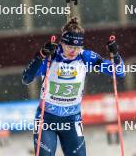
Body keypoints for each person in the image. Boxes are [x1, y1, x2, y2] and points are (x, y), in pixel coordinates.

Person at [22, 17, 125, 156]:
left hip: (72, 120)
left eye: (77, 47)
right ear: (62, 43)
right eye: (70, 46)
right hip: (46, 119)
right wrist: (40, 56)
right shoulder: (51, 57)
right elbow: (26, 78)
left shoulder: (85, 58)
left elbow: (118, 72)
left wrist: (116, 55)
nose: (73, 51)